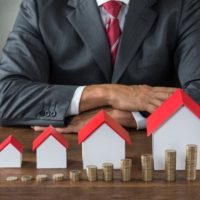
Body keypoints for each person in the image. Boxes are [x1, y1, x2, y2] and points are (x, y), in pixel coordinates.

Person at [0, 0, 199, 134]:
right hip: (63, 156)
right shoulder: (40, 6)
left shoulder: (184, 5)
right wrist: (108, 93)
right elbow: (5, 95)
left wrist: (124, 116)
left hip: (158, 155)